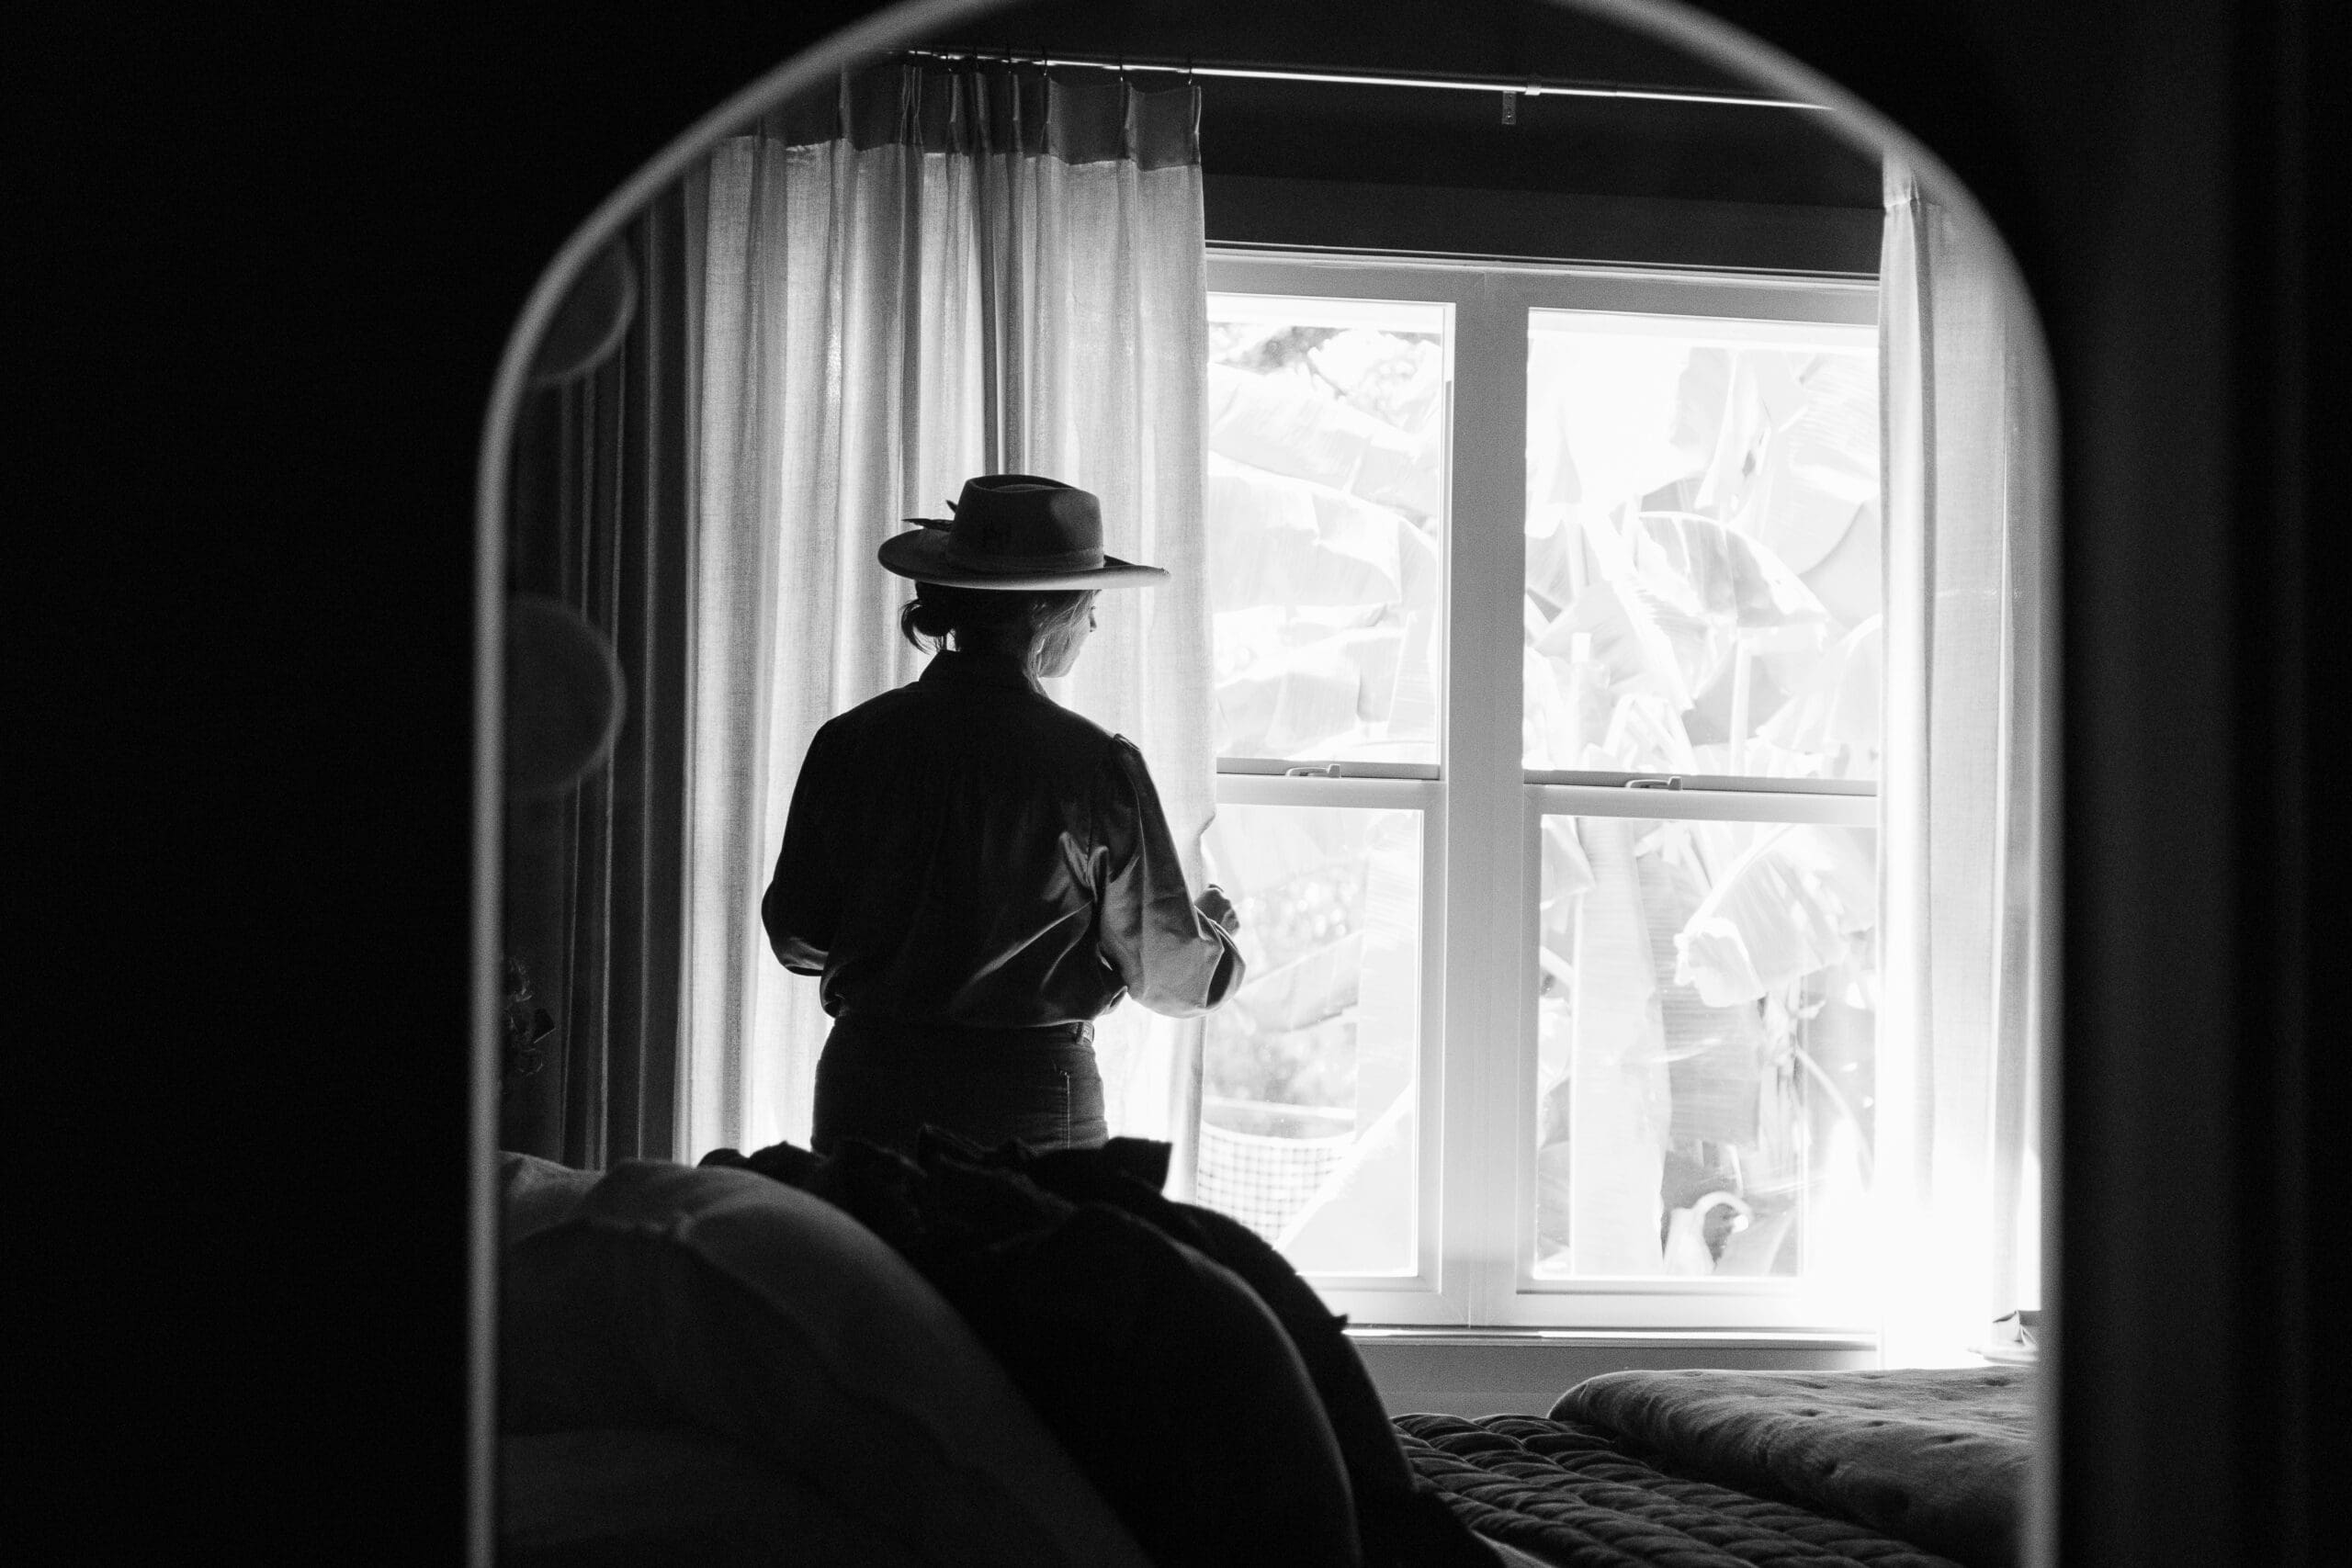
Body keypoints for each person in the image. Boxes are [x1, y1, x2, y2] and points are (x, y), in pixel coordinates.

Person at [763, 474, 1244, 1155]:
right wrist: (1215, 936)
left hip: (868, 1088)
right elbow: (1170, 974)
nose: (1095, 623)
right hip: (1028, 1099)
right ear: (1050, 612)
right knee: (1024, 1259)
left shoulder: (850, 743)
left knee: (870, 1259)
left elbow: (797, 935)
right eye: (1090, 605)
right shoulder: (1094, 767)